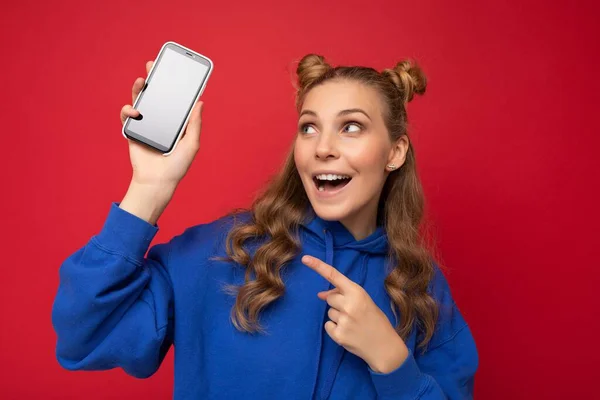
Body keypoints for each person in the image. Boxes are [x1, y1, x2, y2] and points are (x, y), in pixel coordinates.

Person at [51, 54, 478, 399]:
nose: (323, 148)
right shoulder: (217, 252)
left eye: (351, 127)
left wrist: (393, 364)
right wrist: (148, 187)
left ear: (395, 151)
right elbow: (84, 336)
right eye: (309, 127)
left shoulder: (420, 287)